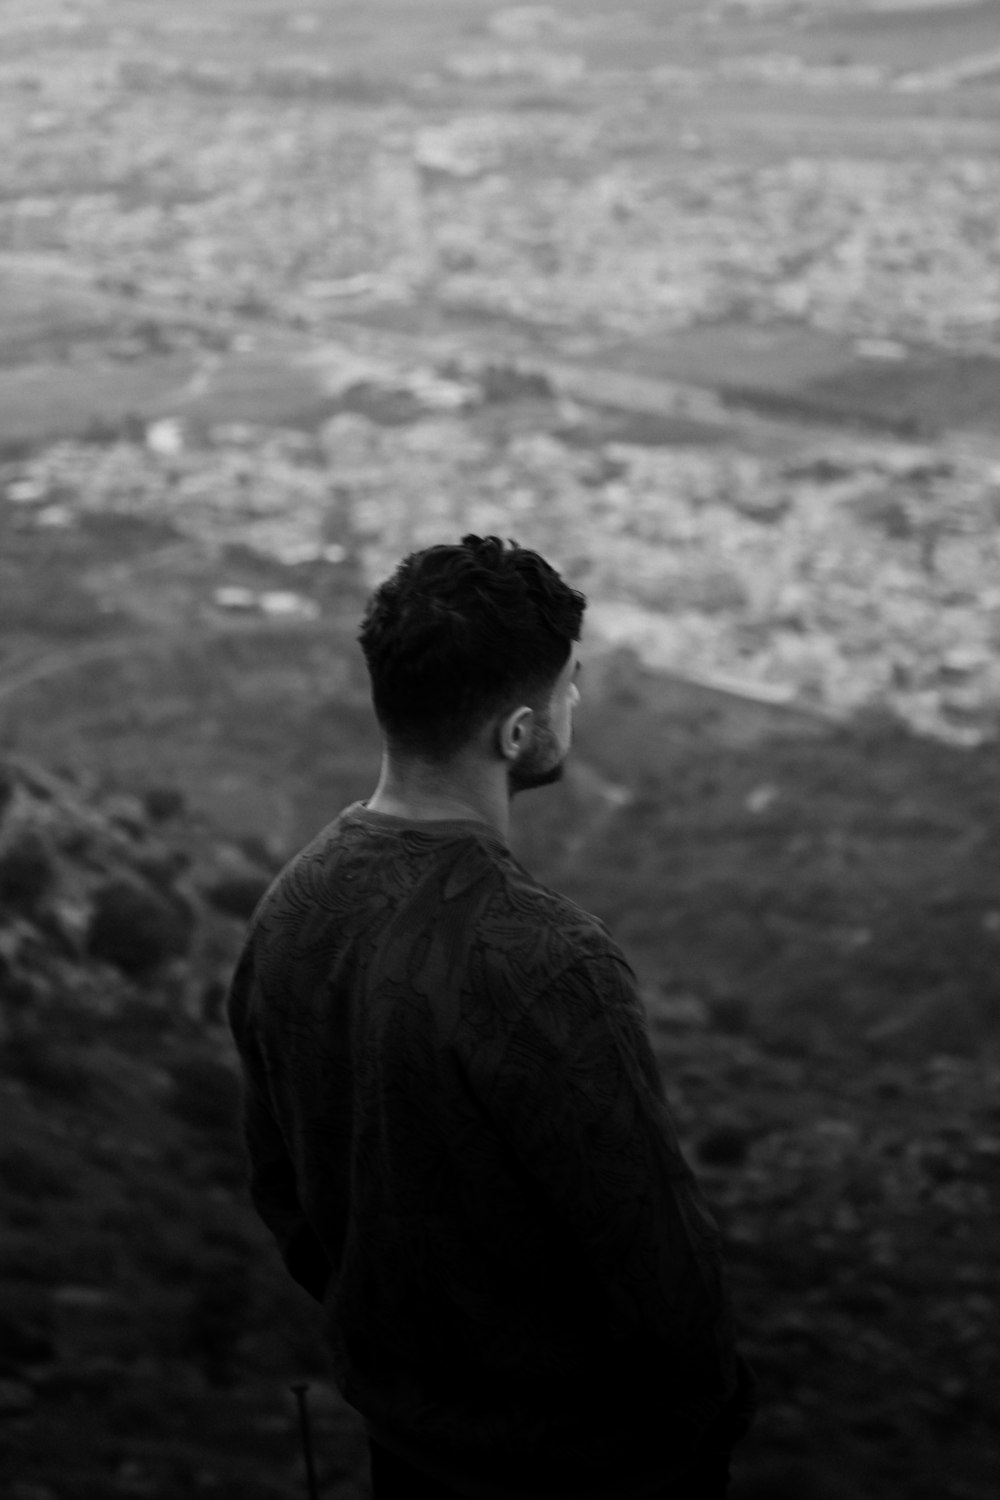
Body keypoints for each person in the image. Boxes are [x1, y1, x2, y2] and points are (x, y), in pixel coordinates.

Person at [227, 534, 756, 1500]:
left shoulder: (290, 907)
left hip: (406, 1446)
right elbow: (657, 1270)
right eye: (567, 688)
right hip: (579, 1470)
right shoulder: (548, 962)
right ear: (518, 733)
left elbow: (284, 1192)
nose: (576, 703)